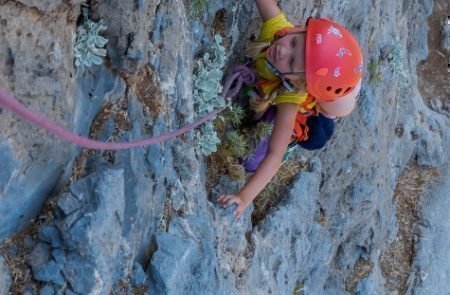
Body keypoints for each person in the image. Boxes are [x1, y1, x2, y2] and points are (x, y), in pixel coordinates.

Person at [218, 0, 363, 219]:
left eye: (292, 61)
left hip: (309, 107)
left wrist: (245, 197)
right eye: (294, 42)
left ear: (298, 84)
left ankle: (337, 101)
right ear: (298, 30)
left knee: (251, 159)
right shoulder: (278, 31)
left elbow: (274, 155)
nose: (283, 50)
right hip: (309, 85)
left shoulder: (292, 95)